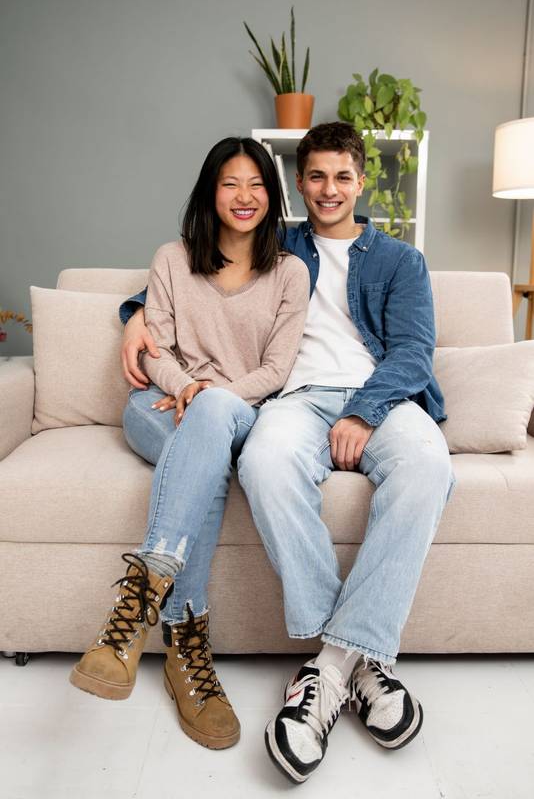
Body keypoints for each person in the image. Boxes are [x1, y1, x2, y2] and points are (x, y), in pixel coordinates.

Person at [119, 122, 455, 782]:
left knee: (429, 468)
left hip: (381, 400)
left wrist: (364, 409)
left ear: (362, 182)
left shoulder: (399, 260)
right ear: (299, 183)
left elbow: (414, 352)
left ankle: (331, 669)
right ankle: (365, 664)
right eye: (318, 176)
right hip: (292, 401)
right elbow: (196, 263)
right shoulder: (277, 242)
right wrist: (133, 309)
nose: (330, 189)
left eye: (343, 177)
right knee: (264, 464)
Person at [69, 136, 310, 752]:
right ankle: (185, 652)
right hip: (159, 410)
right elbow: (157, 350)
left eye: (256, 184)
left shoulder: (290, 273)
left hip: (239, 414)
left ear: (272, 195)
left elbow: (278, 369)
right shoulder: (173, 259)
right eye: (230, 183)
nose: (244, 196)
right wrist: (190, 390)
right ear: (210, 191)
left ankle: (146, 614)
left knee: (210, 432)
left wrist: (216, 400)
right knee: (203, 448)